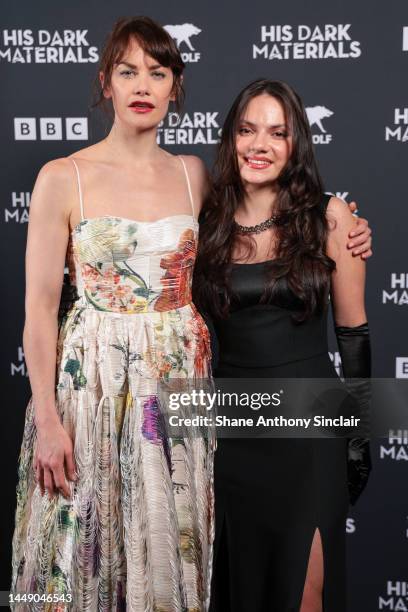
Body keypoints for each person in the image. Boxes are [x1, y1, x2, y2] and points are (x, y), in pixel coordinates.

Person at [11, 17, 215, 611]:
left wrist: (339, 219)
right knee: (82, 545)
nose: (142, 85)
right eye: (128, 71)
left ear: (175, 86)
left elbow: (266, 212)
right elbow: (40, 309)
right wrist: (48, 420)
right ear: (107, 83)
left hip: (177, 386)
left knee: (169, 539)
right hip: (91, 386)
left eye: (157, 72)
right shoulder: (62, 178)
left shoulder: (193, 173)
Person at [193, 79, 371, 611]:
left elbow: (355, 333)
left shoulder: (330, 216)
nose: (259, 145)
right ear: (231, 138)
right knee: (241, 591)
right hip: (231, 432)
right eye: (247, 130)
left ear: (296, 146)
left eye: (277, 133)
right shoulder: (205, 222)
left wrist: (359, 435)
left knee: (305, 592)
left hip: (311, 430)